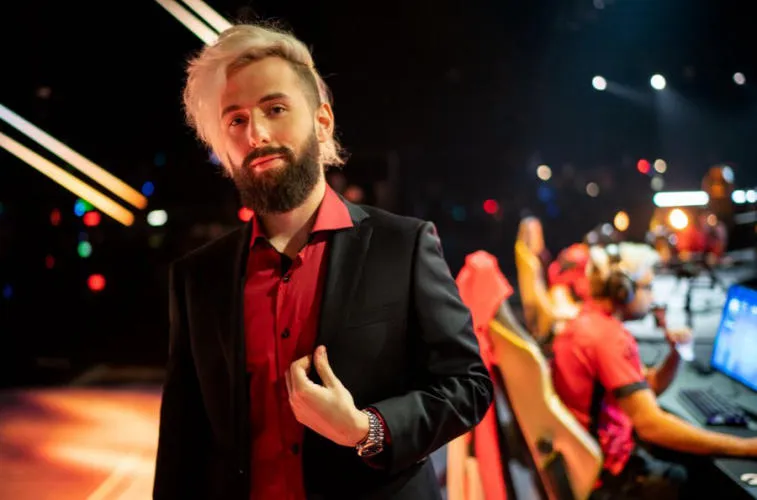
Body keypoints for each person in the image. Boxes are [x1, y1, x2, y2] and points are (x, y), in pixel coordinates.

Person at [152, 22, 493, 500]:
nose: (258, 134)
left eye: (275, 108)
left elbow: (468, 386)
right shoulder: (197, 277)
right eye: (236, 120)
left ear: (322, 121)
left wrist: (366, 428)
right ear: (222, 150)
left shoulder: (404, 245)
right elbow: (182, 442)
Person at [551, 242, 757, 499]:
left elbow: (648, 389)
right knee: (695, 479)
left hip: (582, 462)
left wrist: (676, 353)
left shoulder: (587, 323)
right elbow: (651, 425)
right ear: (622, 290)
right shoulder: (608, 337)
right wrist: (746, 447)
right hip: (608, 478)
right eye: (647, 287)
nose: (653, 297)